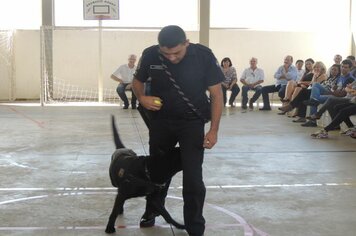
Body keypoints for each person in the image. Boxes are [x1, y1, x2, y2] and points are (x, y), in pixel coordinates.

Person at [132, 25, 224, 236]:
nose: (172, 58)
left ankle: (194, 226)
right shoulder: (150, 54)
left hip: (192, 124)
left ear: (186, 43)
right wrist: (142, 97)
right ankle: (152, 210)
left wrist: (214, 130)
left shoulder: (203, 56)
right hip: (161, 122)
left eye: (177, 53)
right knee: (156, 173)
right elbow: (137, 81)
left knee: (193, 177)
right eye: (167, 54)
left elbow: (217, 95)